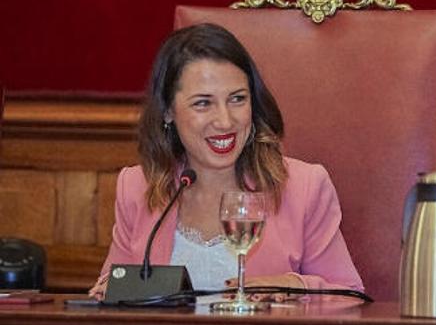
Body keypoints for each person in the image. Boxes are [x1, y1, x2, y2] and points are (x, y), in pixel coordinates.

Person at [89, 23, 364, 301]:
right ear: (168, 111)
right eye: (203, 103)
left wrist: (291, 287)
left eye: (237, 99)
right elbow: (112, 289)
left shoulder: (303, 187)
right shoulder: (138, 187)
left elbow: (349, 296)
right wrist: (107, 291)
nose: (225, 121)